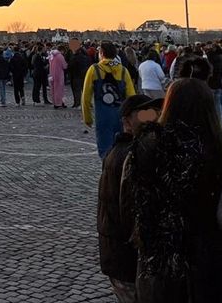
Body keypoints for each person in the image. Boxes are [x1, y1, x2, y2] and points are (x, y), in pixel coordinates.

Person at [122, 78, 222, 303]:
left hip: (161, 274)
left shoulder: (143, 151)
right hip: (214, 273)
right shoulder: (221, 154)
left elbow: (127, 212)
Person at [99, 94, 163, 303]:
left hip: (124, 258)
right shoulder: (129, 156)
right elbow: (130, 213)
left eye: (155, 112)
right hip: (126, 260)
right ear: (127, 122)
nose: (153, 117)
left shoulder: (131, 151)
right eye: (145, 114)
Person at [82, 42, 137, 158]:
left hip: (102, 116)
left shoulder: (94, 70)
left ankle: (107, 172)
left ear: (101, 53)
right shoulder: (123, 71)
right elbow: (132, 97)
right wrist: (132, 120)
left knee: (105, 150)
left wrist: (87, 118)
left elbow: (86, 97)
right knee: (121, 149)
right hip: (121, 116)